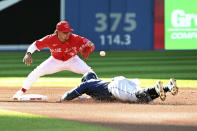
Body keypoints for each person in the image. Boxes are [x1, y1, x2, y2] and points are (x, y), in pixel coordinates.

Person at [13, 21, 95, 100]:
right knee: (36, 72)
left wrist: (90, 45)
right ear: (58, 32)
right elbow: (35, 45)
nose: (67, 34)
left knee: (90, 72)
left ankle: (97, 94)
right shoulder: (50, 39)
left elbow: (89, 43)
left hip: (73, 60)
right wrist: (28, 54)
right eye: (64, 32)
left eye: (68, 32)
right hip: (55, 61)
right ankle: (21, 92)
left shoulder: (75, 38)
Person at [57, 72, 178, 103]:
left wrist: (62, 99)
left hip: (115, 87)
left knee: (135, 96)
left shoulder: (87, 84)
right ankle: (168, 87)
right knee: (143, 100)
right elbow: (91, 99)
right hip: (120, 86)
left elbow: (71, 94)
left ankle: (156, 87)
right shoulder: (96, 86)